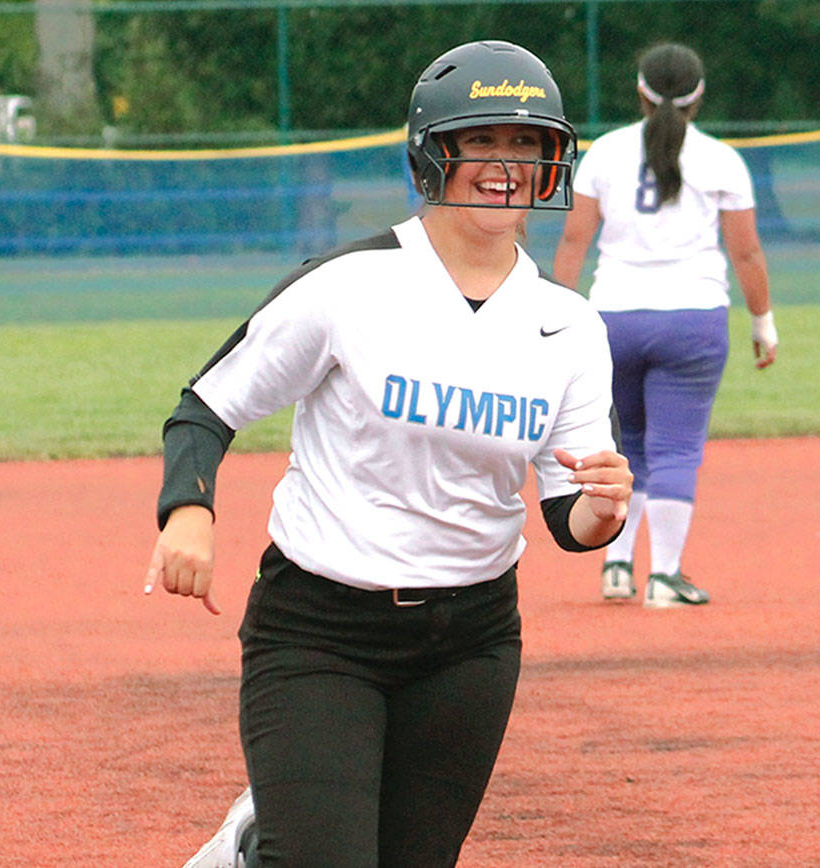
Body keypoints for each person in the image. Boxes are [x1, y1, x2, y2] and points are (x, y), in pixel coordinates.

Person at [144, 40, 632, 868]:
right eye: (480, 140)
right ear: (433, 154)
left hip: (471, 640)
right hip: (321, 628)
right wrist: (187, 511)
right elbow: (208, 405)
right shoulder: (351, 284)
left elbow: (566, 518)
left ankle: (265, 843)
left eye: (527, 144)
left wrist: (601, 509)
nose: (505, 165)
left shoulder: (568, 325)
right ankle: (260, 847)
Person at [552, 42, 777, 608]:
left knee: (626, 448)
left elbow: (575, 241)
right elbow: (747, 255)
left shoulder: (603, 152)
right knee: (676, 449)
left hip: (614, 318)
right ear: (699, 98)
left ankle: (617, 565)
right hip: (692, 319)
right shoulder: (722, 159)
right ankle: (666, 576)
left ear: (641, 92)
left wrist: (555, 320)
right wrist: (763, 322)